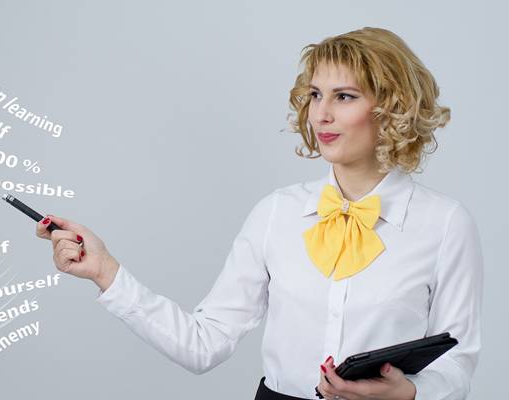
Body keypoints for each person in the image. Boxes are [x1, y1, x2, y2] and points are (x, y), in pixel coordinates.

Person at [35, 27, 483, 400]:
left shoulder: (444, 223)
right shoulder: (276, 214)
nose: (321, 114)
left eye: (344, 96)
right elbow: (203, 344)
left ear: (393, 108)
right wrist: (106, 272)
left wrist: (410, 394)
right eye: (314, 95)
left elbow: (457, 362)